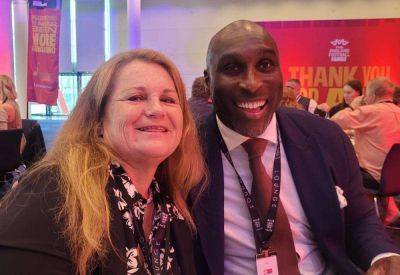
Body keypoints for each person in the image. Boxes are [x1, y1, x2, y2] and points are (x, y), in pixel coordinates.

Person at [191, 20, 400, 275]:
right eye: (232, 68)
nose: (252, 83)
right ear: (208, 81)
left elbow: (359, 219)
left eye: (265, 65)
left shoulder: (325, 137)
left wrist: (383, 255)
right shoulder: (187, 151)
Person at [0, 49, 205, 274]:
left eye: (168, 99)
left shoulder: (170, 202)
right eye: (136, 97)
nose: (156, 109)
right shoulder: (52, 192)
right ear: (97, 119)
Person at [331, 77, 400, 224]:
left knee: (337, 173)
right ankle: (390, 211)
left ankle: (354, 222)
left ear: (371, 95)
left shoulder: (370, 111)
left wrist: (353, 106)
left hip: (375, 178)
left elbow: (335, 120)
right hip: (395, 178)